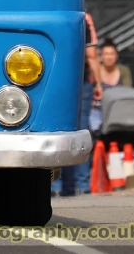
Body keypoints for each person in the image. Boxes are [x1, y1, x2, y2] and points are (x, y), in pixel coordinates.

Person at [53, 13, 103, 197]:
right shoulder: (83, 18)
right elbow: (91, 54)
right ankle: (80, 185)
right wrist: (98, 83)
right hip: (81, 83)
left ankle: (55, 186)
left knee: (56, 130)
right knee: (81, 131)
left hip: (55, 81)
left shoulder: (53, 14)